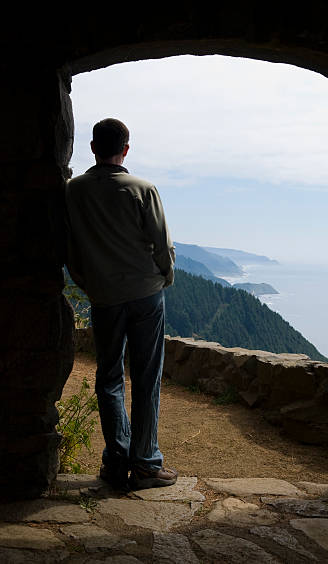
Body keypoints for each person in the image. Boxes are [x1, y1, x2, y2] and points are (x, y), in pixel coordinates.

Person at [64, 118, 177, 491]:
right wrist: (165, 277)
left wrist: (86, 282)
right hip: (146, 294)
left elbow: (68, 246)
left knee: (109, 378)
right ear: (125, 149)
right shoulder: (143, 189)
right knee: (147, 377)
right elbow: (161, 244)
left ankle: (116, 461)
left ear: (93, 147)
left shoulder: (73, 191)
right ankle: (145, 463)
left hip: (104, 297)